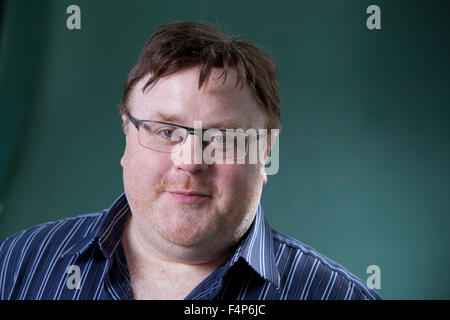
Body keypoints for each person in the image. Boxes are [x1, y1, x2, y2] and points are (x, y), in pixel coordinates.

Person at [0, 21, 381, 300]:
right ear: (127, 134)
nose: (191, 161)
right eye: (166, 131)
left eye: (222, 137)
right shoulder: (17, 264)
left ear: (266, 152)